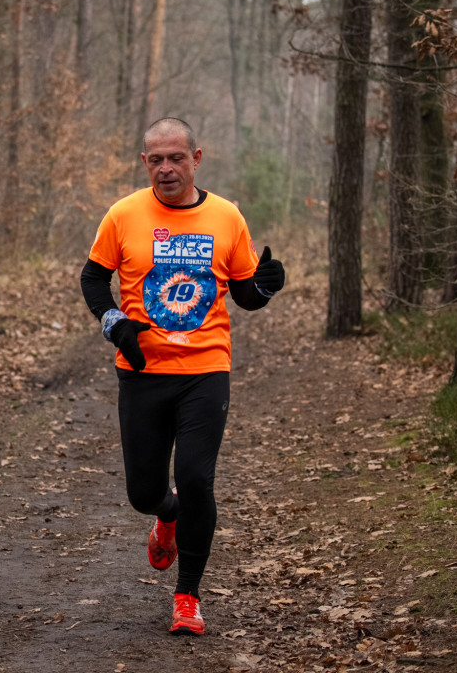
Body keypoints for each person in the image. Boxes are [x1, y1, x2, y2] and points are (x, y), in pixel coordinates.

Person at [80, 117, 284, 636]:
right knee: (144, 493)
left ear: (197, 158)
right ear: (144, 161)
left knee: (196, 478)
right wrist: (114, 323)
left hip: (205, 370)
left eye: (176, 158)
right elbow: (93, 277)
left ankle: (188, 596)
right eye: (156, 159)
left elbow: (243, 295)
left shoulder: (226, 216)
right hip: (142, 371)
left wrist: (265, 289)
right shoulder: (124, 214)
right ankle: (164, 516)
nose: (166, 168)